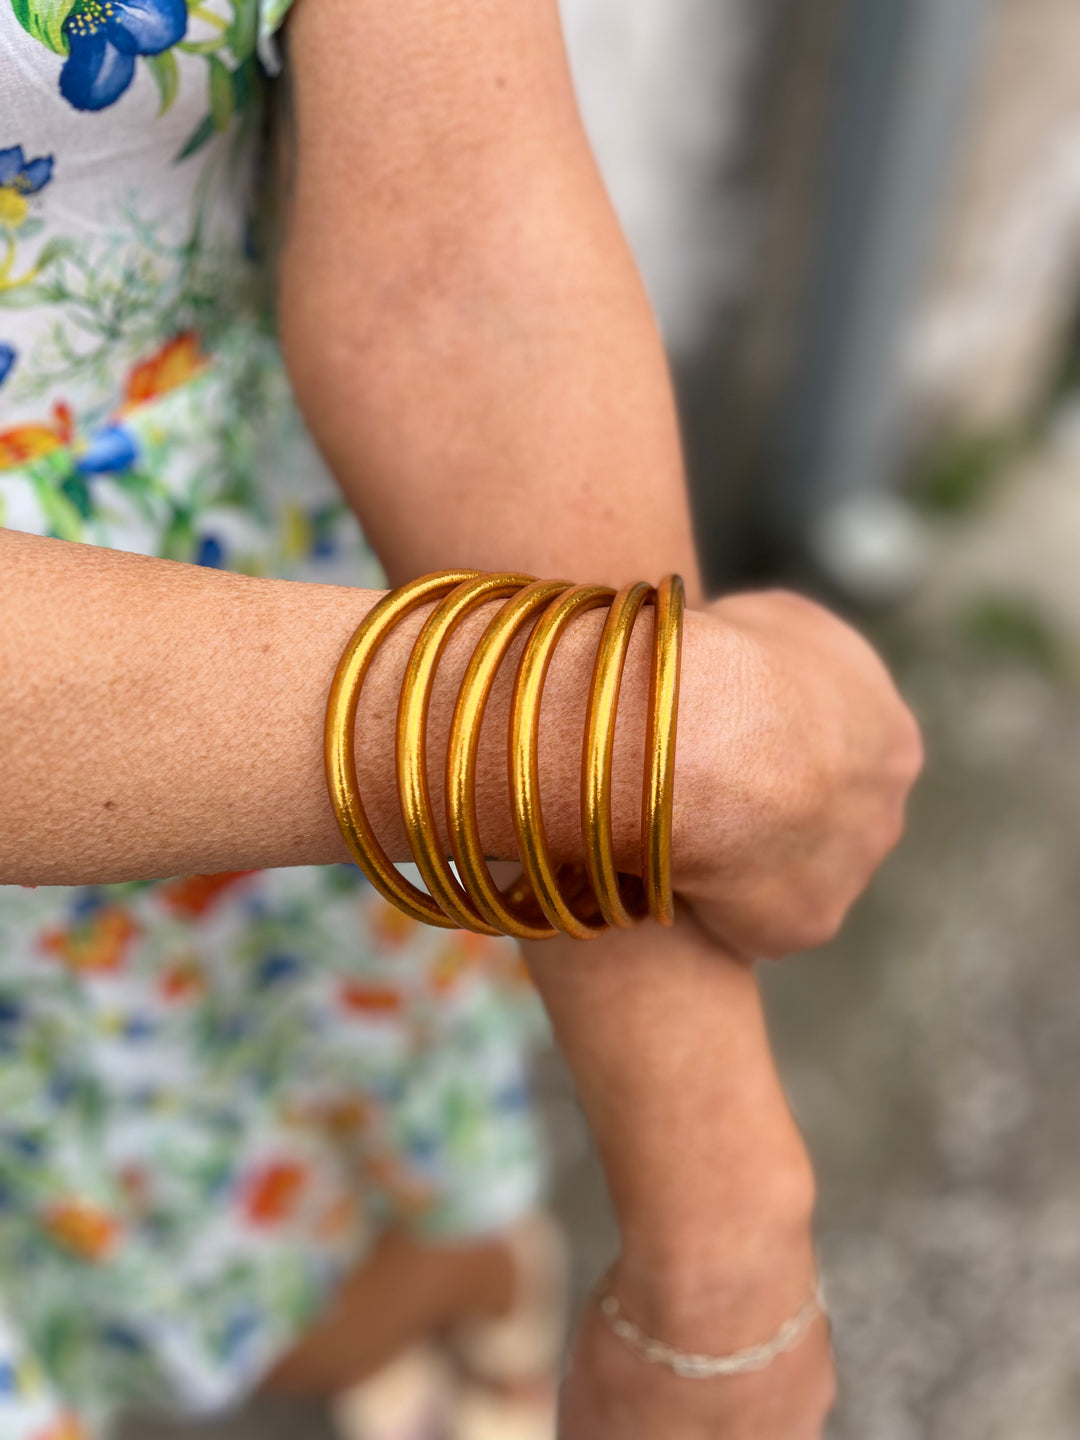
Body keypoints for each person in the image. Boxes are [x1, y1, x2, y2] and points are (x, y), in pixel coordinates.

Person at [0, 0, 922, 1436]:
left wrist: (720, 1215)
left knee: (333, 1243)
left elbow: (466, 267)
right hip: (353, 741)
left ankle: (454, 1298)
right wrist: (624, 746)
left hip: (242, 751)